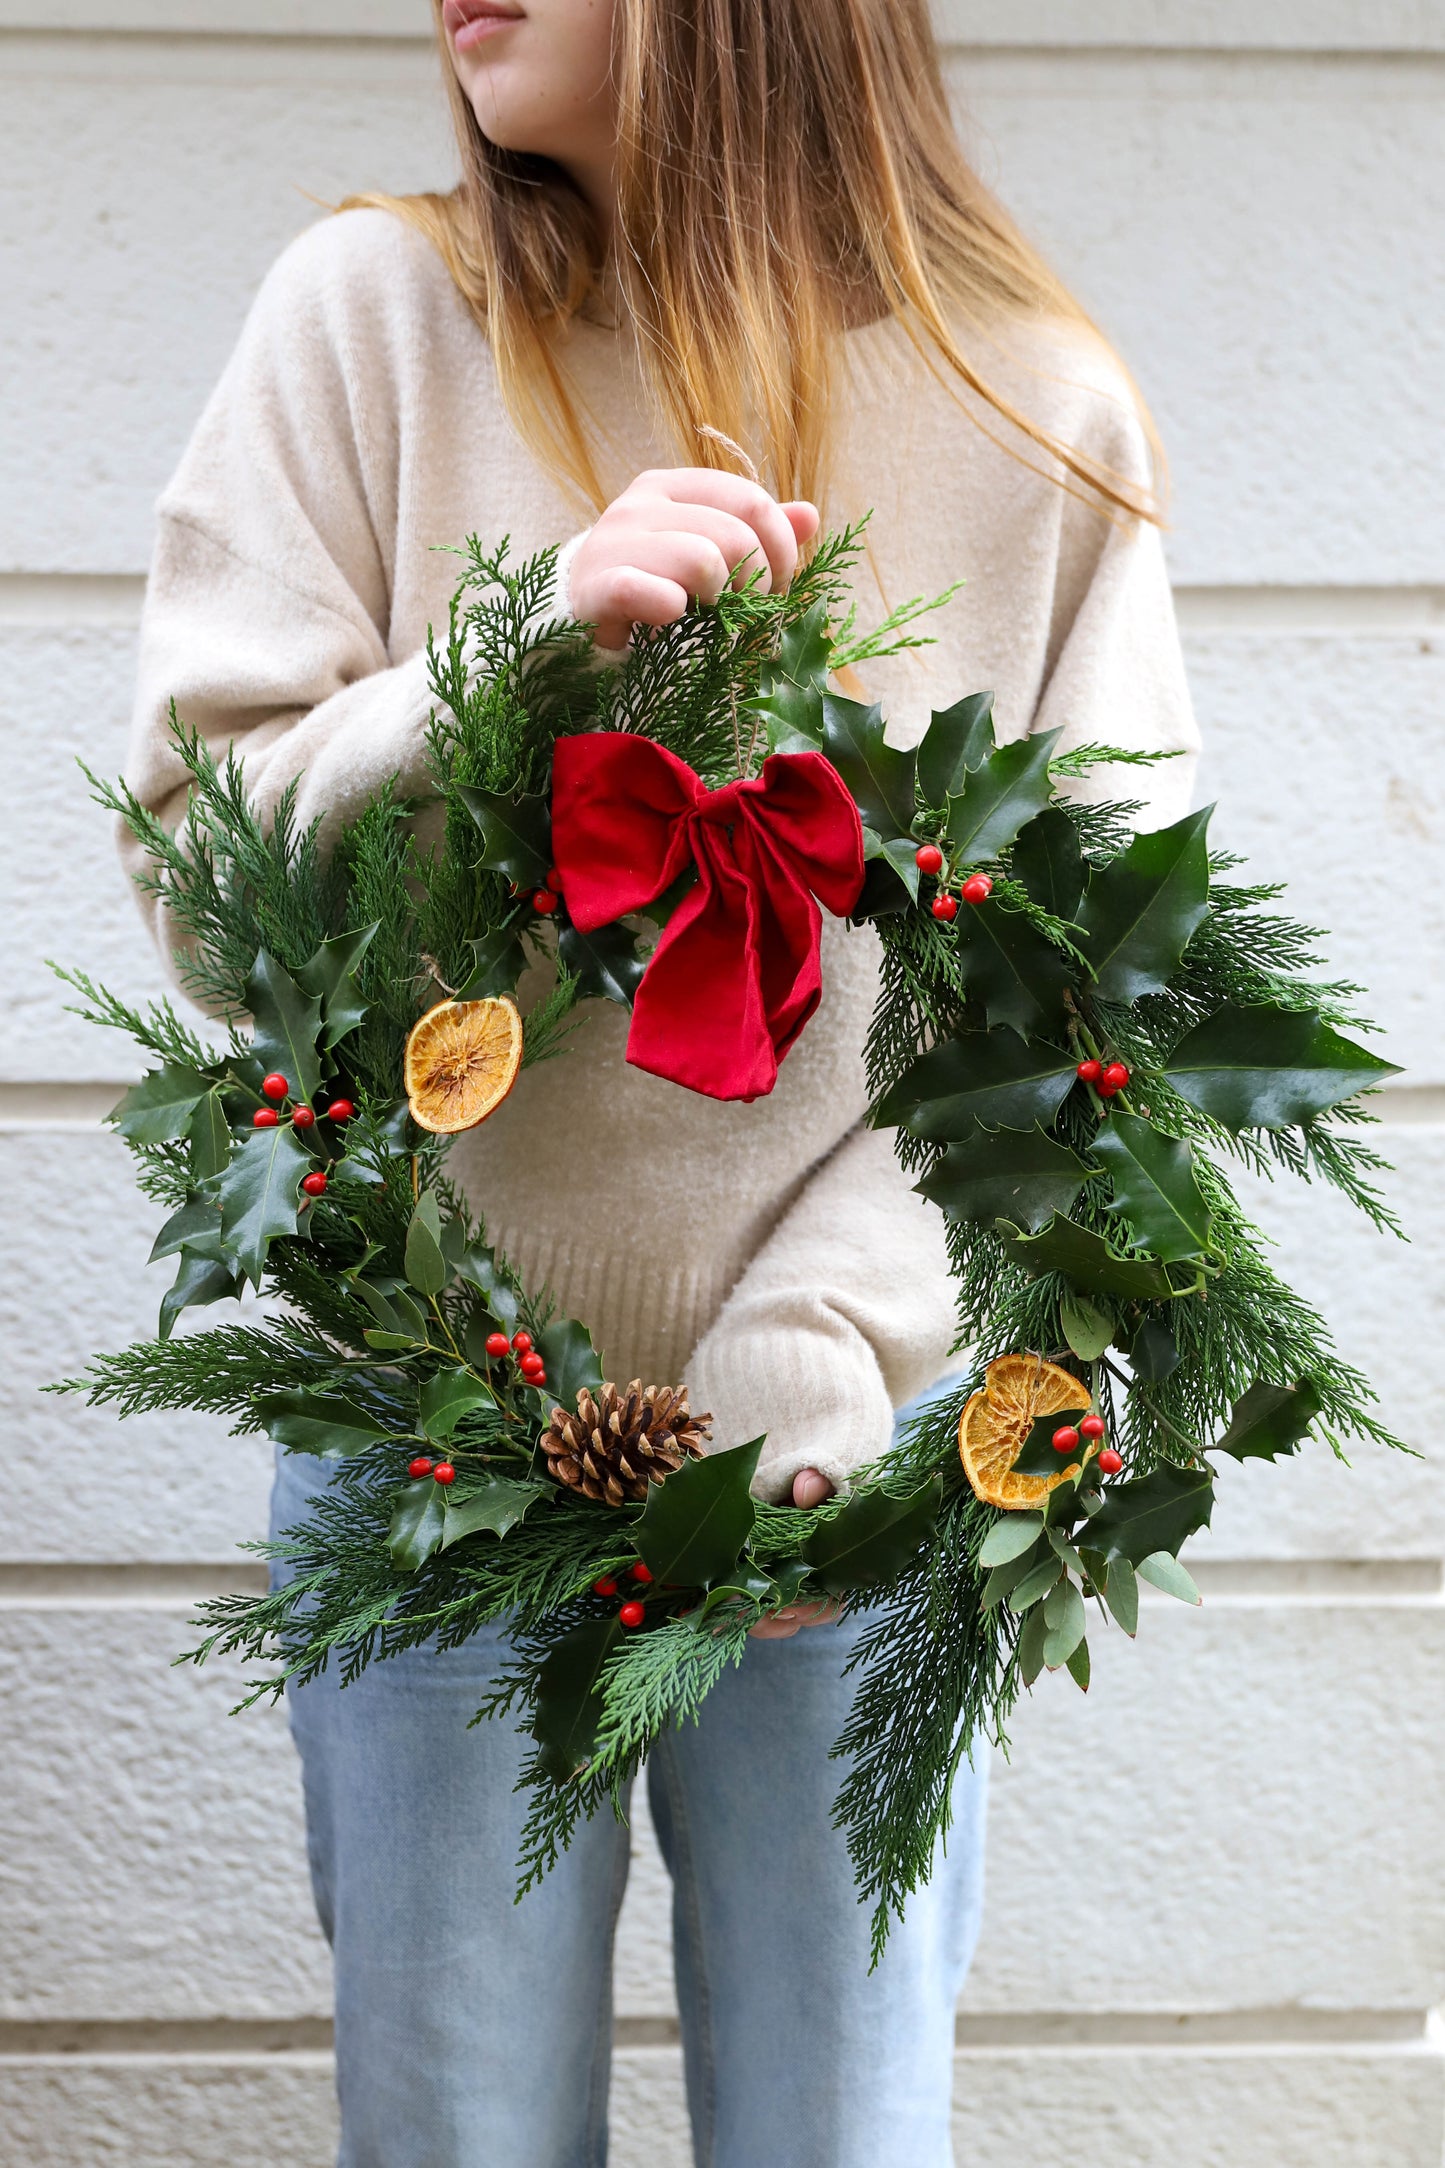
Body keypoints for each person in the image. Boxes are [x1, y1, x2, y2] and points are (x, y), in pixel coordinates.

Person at [123, 3, 1199, 2162]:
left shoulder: (1030, 407)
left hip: (853, 1458)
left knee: (841, 2126)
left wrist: (826, 1333)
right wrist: (503, 659)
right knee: (455, 2128)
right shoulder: (373, 320)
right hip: (432, 1433)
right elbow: (202, 883)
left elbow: (1092, 996)